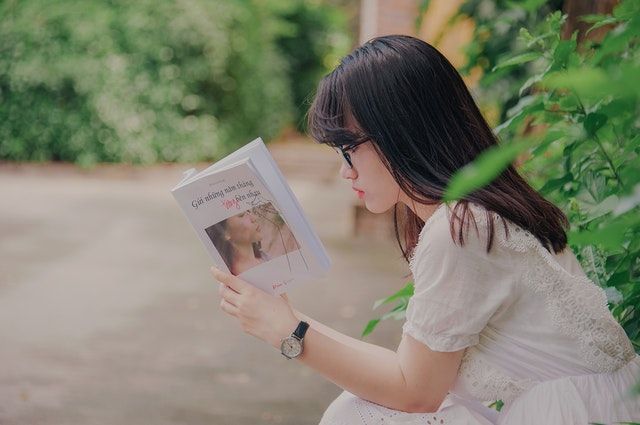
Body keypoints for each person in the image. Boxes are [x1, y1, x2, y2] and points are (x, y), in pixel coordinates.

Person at [212, 35, 640, 424]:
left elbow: (416, 393)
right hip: (592, 407)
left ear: (400, 131)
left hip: (574, 417)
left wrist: (288, 335)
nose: (345, 172)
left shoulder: (461, 229)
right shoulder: (478, 211)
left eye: (348, 150)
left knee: (356, 416)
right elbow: (409, 369)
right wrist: (289, 320)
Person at [205, 210, 268, 275]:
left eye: (248, 211)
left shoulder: (265, 257)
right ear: (225, 233)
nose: (254, 218)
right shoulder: (230, 274)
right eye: (241, 215)